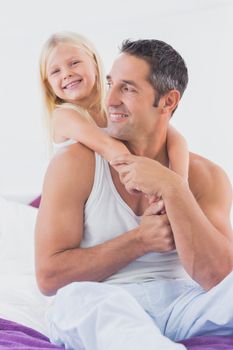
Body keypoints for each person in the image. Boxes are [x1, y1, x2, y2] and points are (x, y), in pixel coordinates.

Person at [35, 38, 233, 350]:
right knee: (77, 299)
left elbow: (218, 277)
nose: (109, 99)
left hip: (183, 303)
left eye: (127, 88)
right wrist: (139, 241)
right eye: (111, 84)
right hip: (106, 299)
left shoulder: (208, 176)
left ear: (168, 102)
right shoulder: (74, 162)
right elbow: (48, 277)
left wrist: (172, 186)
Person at [40, 31, 189, 186]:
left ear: (94, 62)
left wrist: (180, 184)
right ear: (48, 84)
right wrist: (149, 187)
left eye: (74, 63)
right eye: (55, 71)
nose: (67, 74)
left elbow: (175, 138)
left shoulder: (114, 106)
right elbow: (110, 147)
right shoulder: (63, 116)